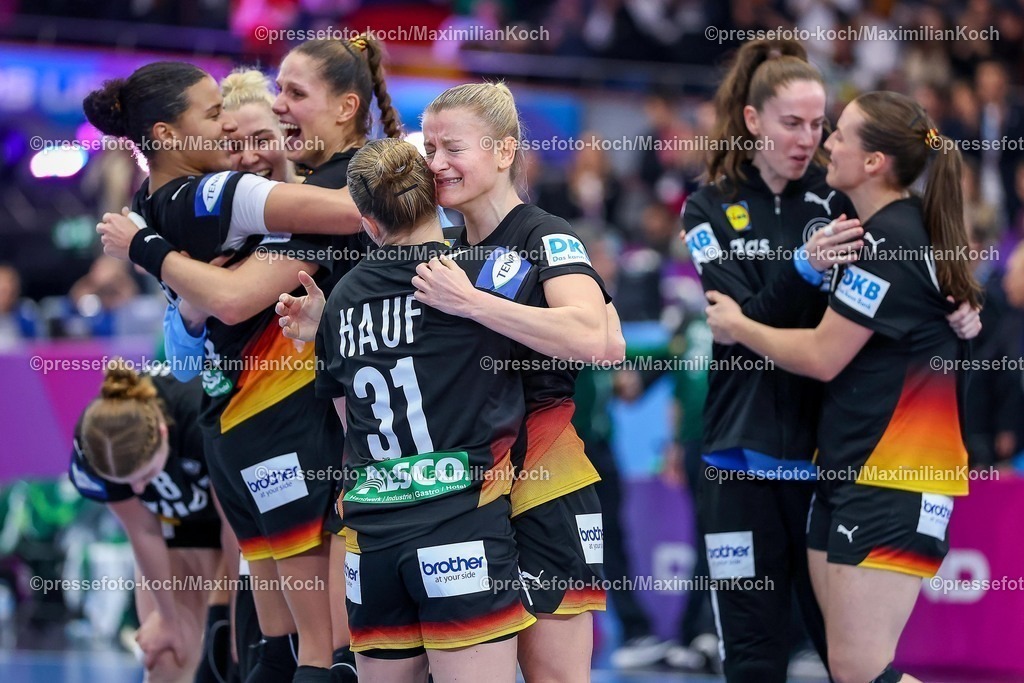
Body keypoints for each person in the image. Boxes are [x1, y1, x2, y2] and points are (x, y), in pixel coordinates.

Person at [679, 39, 980, 683]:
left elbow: (796, 334)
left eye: (823, 126)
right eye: (795, 124)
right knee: (759, 654)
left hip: (840, 462)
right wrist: (802, 269)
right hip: (746, 450)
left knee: (849, 661)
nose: (813, 141)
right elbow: (737, 319)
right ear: (754, 121)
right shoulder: (707, 205)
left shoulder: (845, 200)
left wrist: (957, 308)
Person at [85, 62, 353, 683]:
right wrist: (419, 158)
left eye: (264, 137)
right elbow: (349, 211)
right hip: (276, 418)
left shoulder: (152, 203)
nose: (242, 144)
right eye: (222, 128)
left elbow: (199, 312)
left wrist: (157, 257)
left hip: (236, 425)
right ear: (167, 133)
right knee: (329, 647)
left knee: (276, 645)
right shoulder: (218, 193)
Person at [414, 82, 625, 682]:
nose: (436, 164)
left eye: (452, 147)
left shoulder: (544, 235)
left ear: (504, 151)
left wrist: (474, 303)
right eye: (428, 149)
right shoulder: (441, 248)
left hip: (543, 482)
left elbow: (599, 341)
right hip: (459, 490)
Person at [310, 137, 537, 682]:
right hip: (458, 523)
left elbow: (348, 422)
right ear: (436, 192)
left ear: (367, 220)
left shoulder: (343, 297)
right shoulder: (482, 272)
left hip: (374, 537)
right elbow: (588, 336)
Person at [70, 360, 229, 683]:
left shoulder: (201, 416)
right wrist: (167, 618)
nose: (139, 489)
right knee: (167, 656)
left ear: (162, 433)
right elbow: (142, 529)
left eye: (145, 475)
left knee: (228, 649)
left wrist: (226, 616)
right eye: (127, 483)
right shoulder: (98, 444)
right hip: (170, 526)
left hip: (235, 524)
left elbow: (234, 530)